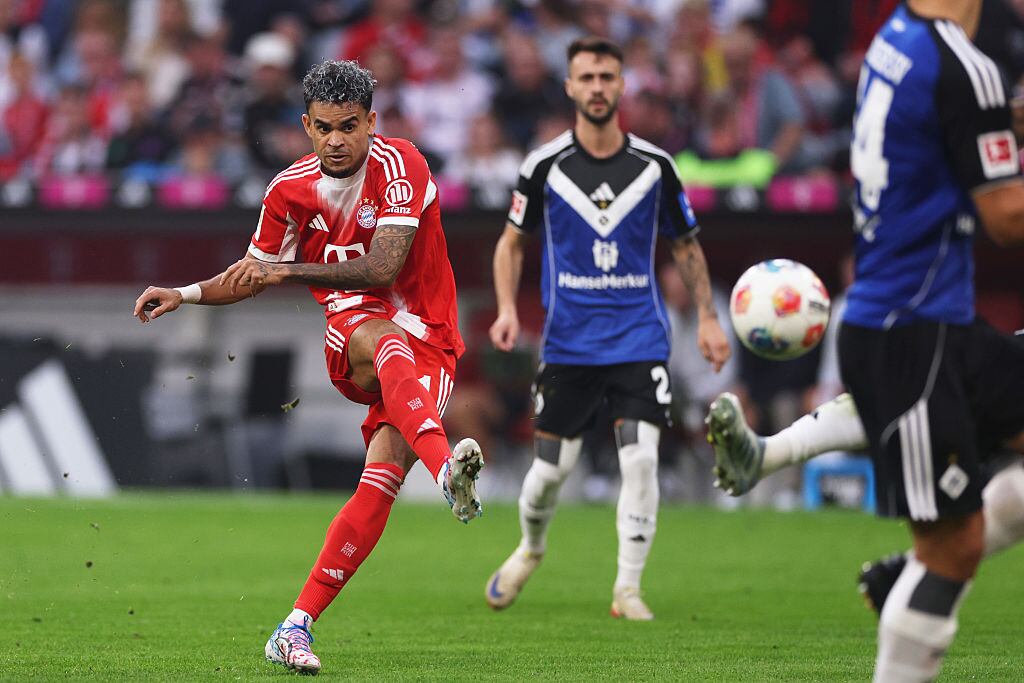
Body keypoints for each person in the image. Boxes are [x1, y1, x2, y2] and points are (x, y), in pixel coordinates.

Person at [132, 59, 484, 675]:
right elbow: (251, 275)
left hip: (434, 340)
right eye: (323, 128)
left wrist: (287, 271)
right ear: (306, 125)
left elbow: (381, 267)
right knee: (384, 340)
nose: (336, 140)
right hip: (357, 336)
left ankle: (293, 627)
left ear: (373, 122)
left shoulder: (404, 167)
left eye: (350, 125)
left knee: (379, 482)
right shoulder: (288, 190)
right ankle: (446, 470)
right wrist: (185, 293)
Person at [708, 3, 1024, 680]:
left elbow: (943, 129)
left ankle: (895, 572)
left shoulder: (894, 41)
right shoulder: (965, 66)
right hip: (913, 331)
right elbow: (1006, 217)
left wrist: (1001, 122)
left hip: (917, 323)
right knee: (953, 547)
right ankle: (909, 580)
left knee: (958, 533)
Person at [485, 37, 731, 621]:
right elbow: (511, 244)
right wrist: (505, 309)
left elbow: (686, 244)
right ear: (570, 87)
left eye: (607, 77)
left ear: (622, 87)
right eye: (587, 77)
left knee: (640, 461)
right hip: (569, 343)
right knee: (549, 475)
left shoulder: (656, 166)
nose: (597, 87)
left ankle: (627, 589)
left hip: (638, 338)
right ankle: (531, 548)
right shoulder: (543, 165)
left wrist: (709, 317)